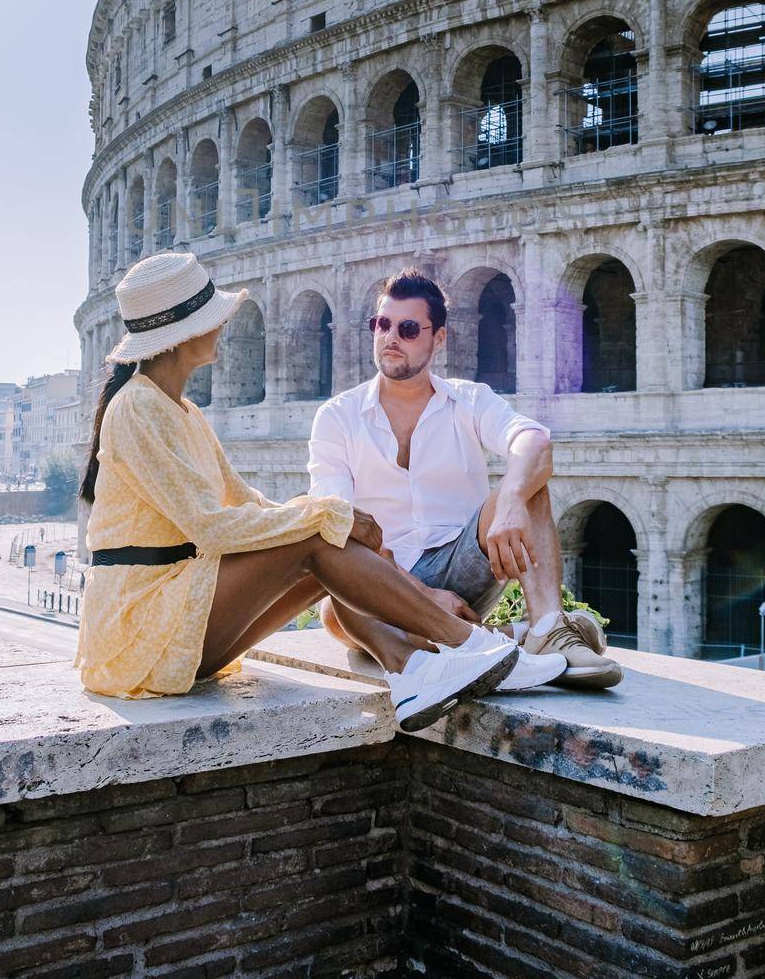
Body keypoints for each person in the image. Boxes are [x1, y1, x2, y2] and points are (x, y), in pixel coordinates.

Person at [74, 251, 523, 732]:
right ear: (183, 335)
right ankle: (470, 647)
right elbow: (209, 527)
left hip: (172, 622)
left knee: (326, 535)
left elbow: (245, 501)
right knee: (319, 533)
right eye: (214, 318)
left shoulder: (179, 410)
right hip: (141, 628)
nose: (223, 326)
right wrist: (325, 517)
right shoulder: (138, 407)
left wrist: (328, 517)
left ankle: (410, 670)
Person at [308, 269, 622, 690]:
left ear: (438, 338)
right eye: (381, 325)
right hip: (384, 579)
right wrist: (422, 596)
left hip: (466, 562)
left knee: (528, 480)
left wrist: (511, 498)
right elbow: (337, 524)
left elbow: (534, 440)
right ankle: (511, 640)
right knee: (336, 611)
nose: (390, 337)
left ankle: (548, 628)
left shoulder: (469, 399)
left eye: (407, 328)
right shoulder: (337, 417)